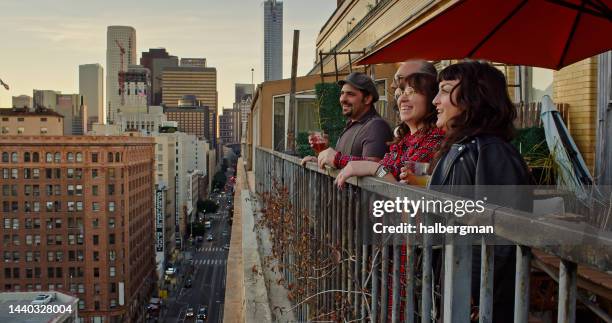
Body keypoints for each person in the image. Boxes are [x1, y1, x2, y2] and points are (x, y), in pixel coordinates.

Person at [429, 60, 532, 322]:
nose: (435, 100)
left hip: (480, 304)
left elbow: (501, 233)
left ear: (473, 96)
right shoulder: (462, 147)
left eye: (444, 89)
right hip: (455, 291)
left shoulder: (492, 150)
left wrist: (471, 292)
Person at [334, 64, 443, 187]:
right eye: (401, 92)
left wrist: (374, 169)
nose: (402, 98)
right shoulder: (404, 139)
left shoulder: (435, 139)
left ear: (432, 97)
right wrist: (328, 159)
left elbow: (405, 196)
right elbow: (381, 168)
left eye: (411, 91)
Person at [300, 72, 393, 169]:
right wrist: (321, 159)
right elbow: (342, 164)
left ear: (367, 99)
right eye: (342, 93)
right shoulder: (351, 124)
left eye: (350, 94)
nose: (342, 99)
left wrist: (337, 159)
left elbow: (375, 168)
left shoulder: (376, 126)